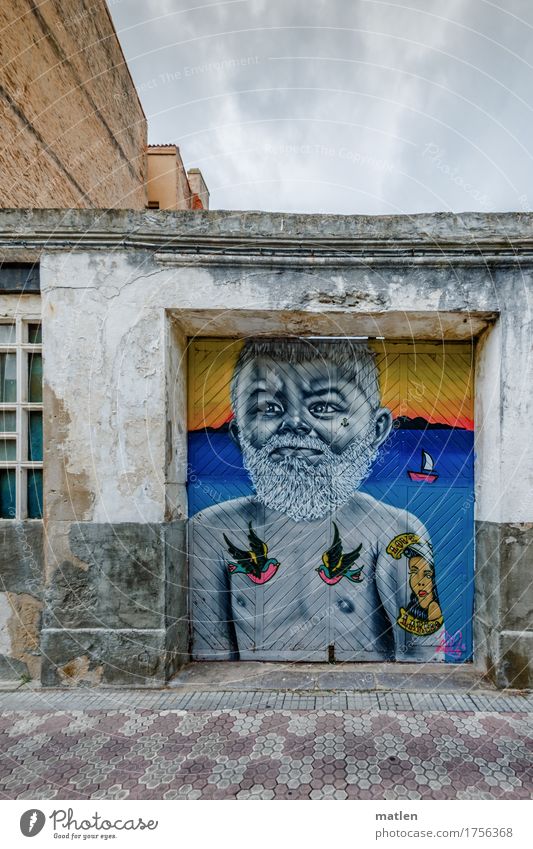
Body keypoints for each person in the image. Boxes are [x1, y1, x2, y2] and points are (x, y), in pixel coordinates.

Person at [189, 338, 443, 661]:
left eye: (324, 407)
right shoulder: (210, 534)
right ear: (239, 433)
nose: (295, 424)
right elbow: (210, 662)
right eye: (269, 407)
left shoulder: (395, 532)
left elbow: (424, 661)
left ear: (376, 430)